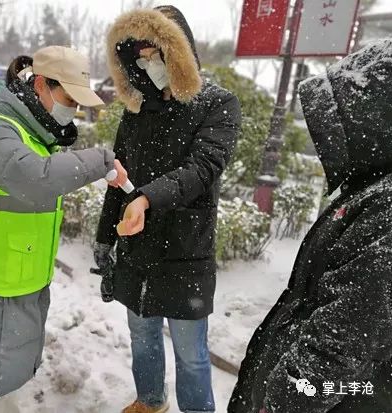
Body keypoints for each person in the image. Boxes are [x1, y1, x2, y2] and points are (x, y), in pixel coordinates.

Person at [0, 45, 128, 413]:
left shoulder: (36, 134)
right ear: (41, 84)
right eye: (69, 99)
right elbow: (35, 179)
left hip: (22, 286)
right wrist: (101, 161)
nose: (73, 110)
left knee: (8, 381)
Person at [228, 39, 392, 413]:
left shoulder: (386, 209)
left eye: (341, 122)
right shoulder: (371, 190)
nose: (328, 142)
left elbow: (339, 342)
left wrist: (279, 404)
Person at [94, 6, 241, 413]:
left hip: (184, 253)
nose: (148, 65)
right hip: (137, 251)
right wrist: (105, 239)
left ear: (178, 52)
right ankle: (150, 400)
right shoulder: (137, 111)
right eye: (139, 57)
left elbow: (202, 169)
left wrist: (146, 197)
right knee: (141, 339)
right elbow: (116, 179)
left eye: (156, 54)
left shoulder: (217, 104)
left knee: (191, 354)